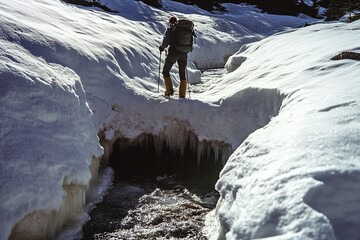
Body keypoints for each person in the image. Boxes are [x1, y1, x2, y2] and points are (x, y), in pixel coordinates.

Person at [159, 16, 190, 98]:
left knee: (166, 71)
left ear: (170, 22)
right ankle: (182, 95)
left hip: (174, 52)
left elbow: (166, 41)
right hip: (184, 52)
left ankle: (169, 91)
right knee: (182, 74)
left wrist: (162, 47)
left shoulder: (170, 29)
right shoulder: (183, 29)